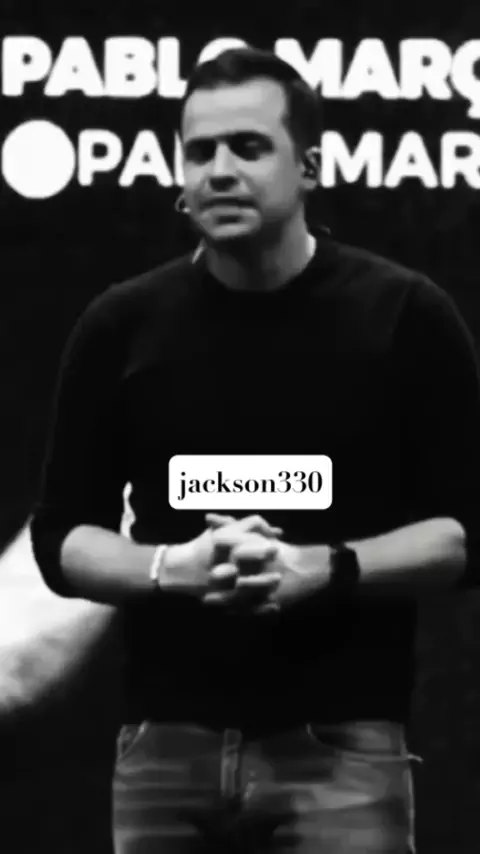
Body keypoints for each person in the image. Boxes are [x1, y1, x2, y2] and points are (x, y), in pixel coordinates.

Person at [30, 46, 480, 854]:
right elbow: (62, 540)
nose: (220, 172)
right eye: (199, 151)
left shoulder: (406, 316)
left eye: (247, 147)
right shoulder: (119, 325)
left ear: (308, 167)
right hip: (164, 744)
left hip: (343, 743)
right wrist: (173, 567)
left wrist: (326, 567)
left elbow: (465, 534)